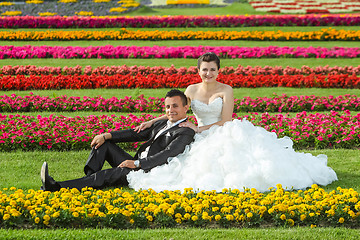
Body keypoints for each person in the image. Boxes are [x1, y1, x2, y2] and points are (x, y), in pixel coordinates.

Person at [127, 52, 338, 192]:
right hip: (198, 131)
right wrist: (151, 121)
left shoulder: (226, 90)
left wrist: (198, 128)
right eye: (204, 69)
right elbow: (176, 111)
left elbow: (226, 120)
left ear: (218, 71)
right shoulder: (191, 90)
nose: (208, 73)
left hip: (221, 130)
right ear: (198, 71)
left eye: (212, 69)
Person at [40, 89, 195, 191]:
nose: (170, 110)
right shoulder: (162, 122)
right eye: (167, 107)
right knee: (104, 144)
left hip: (148, 170)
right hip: (136, 162)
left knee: (106, 175)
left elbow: (167, 154)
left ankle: (55, 186)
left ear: (185, 108)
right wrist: (106, 135)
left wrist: (136, 164)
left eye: (175, 106)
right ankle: (88, 180)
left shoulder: (185, 131)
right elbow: (135, 134)